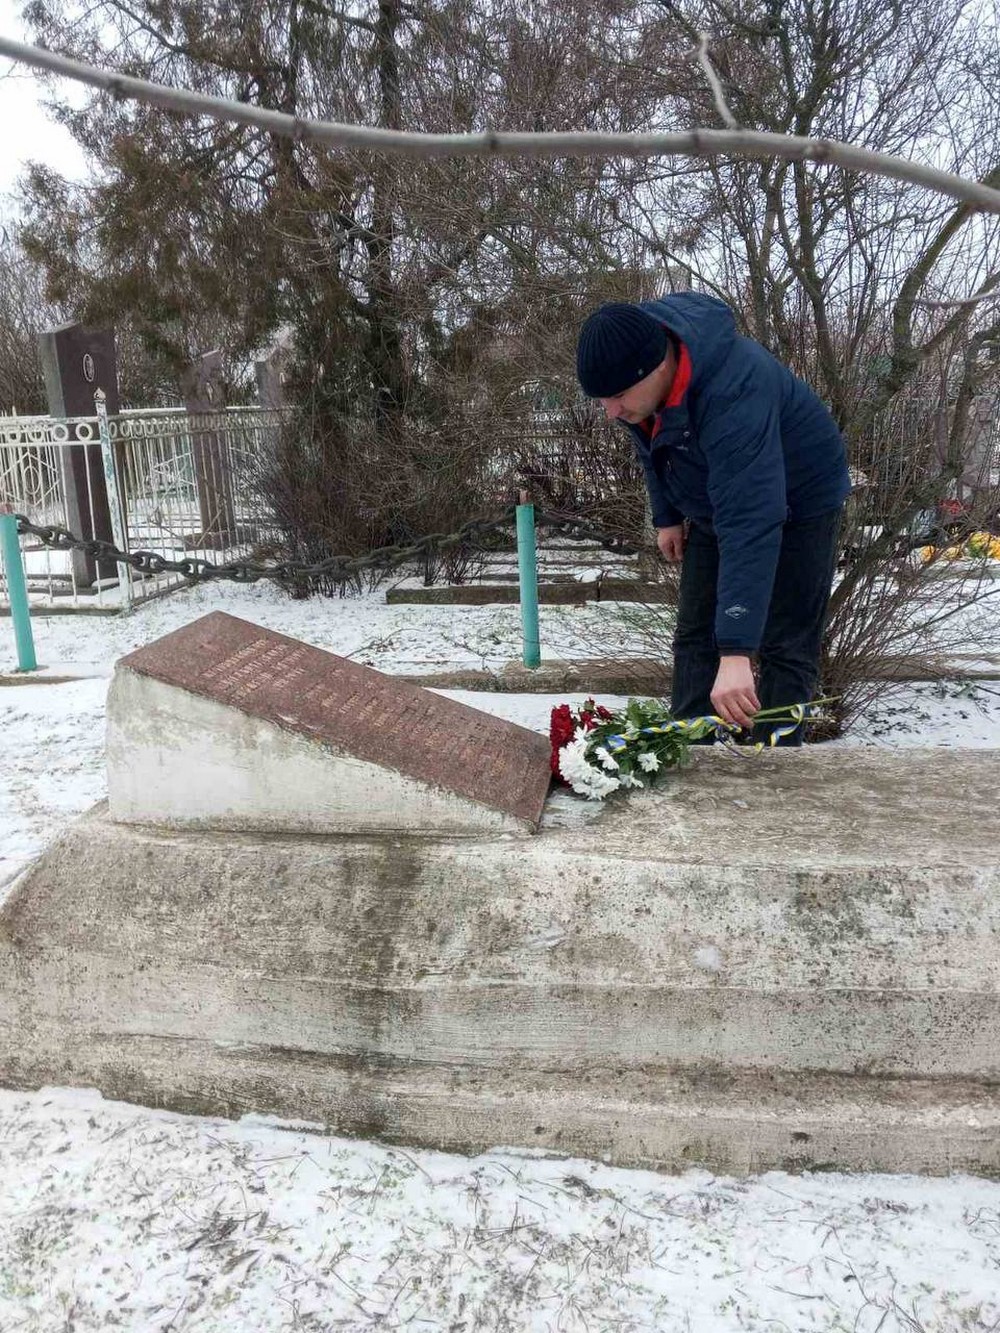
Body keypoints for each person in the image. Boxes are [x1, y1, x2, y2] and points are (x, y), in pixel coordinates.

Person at [575, 293, 851, 745]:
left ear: (655, 367)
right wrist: (666, 515)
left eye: (618, 397)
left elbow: (750, 520)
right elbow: (652, 447)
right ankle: (690, 751)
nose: (610, 412)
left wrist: (738, 651)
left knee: (786, 641)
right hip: (715, 497)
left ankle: (776, 761)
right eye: (602, 399)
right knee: (695, 633)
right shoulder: (636, 380)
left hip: (803, 498)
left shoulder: (735, 388)